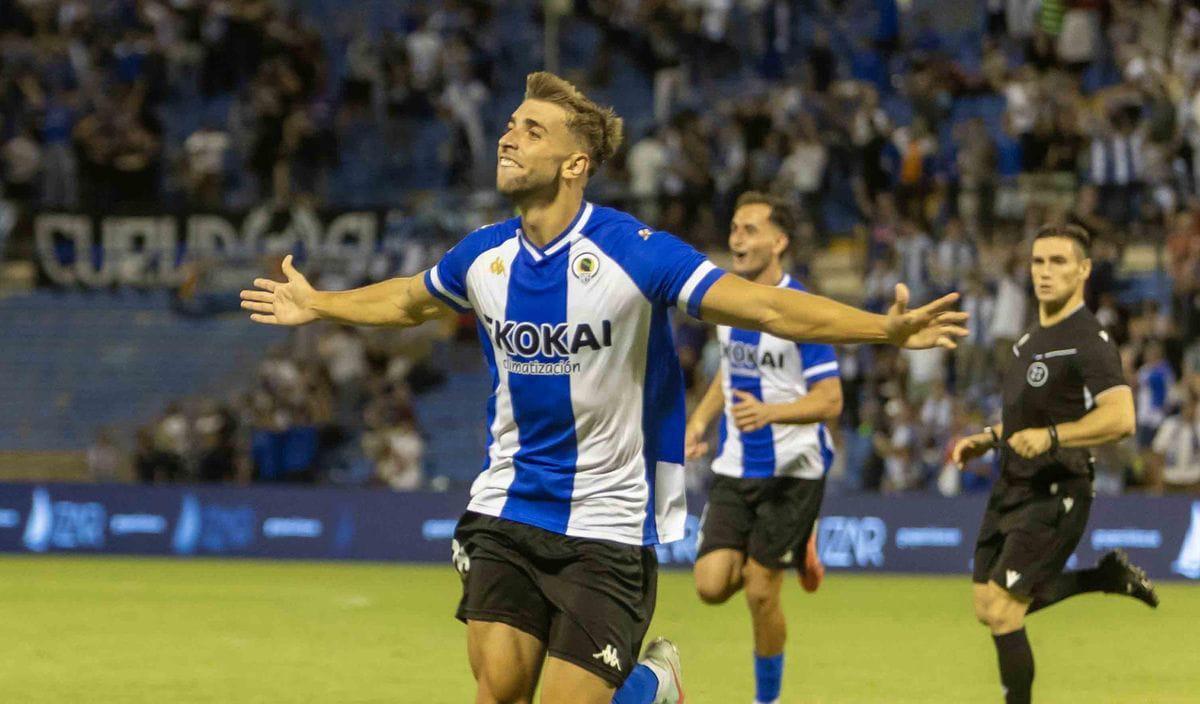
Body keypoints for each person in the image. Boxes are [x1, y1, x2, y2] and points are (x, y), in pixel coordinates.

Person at [242, 71, 968, 704]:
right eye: (510, 125)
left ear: (575, 162)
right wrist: (320, 303)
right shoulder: (484, 255)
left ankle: (652, 684)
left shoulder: (633, 253)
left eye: (532, 130)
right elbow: (408, 300)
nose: (508, 137)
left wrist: (886, 331)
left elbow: (771, 307)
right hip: (507, 506)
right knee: (497, 690)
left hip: (608, 522)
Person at [952, 224, 1159, 704]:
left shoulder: (1090, 340)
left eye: (1058, 262)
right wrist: (987, 438)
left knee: (1005, 613)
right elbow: (1026, 421)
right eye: (1038, 262)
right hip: (1012, 485)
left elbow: (1121, 417)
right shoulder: (1029, 339)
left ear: (1083, 270)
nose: (1045, 272)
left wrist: (1052, 437)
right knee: (987, 606)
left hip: (1057, 490)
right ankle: (1102, 578)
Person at [684, 191, 840, 704]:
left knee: (758, 589)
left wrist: (771, 413)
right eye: (733, 228)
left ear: (779, 242)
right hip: (736, 467)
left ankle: (766, 700)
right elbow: (727, 373)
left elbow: (830, 400)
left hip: (794, 469)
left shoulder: (803, 311)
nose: (736, 238)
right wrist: (700, 421)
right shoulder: (729, 304)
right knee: (709, 585)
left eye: (749, 229)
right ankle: (797, 550)